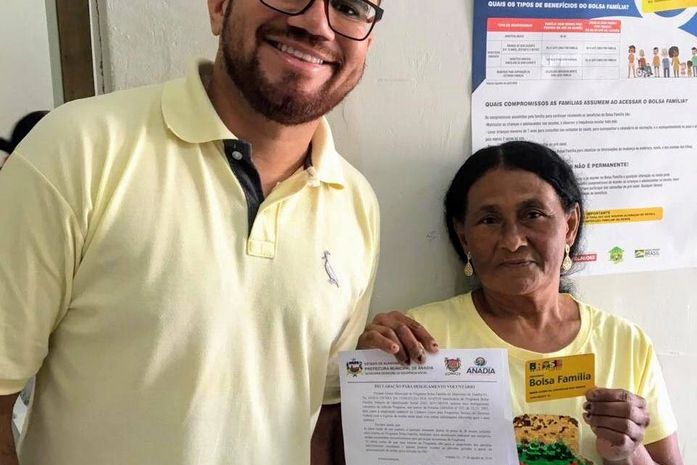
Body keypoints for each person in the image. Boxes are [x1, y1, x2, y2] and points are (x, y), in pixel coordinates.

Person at [0, 1, 384, 464]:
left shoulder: (356, 204)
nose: (316, 23)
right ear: (220, 7)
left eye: (350, 6)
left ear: (369, 39)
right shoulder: (78, 149)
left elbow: (315, 422)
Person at [358, 141, 683, 465]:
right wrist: (368, 377)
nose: (513, 241)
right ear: (464, 236)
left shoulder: (624, 343)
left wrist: (627, 452)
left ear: (570, 226)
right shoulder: (417, 338)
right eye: (489, 220)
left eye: (533, 215)